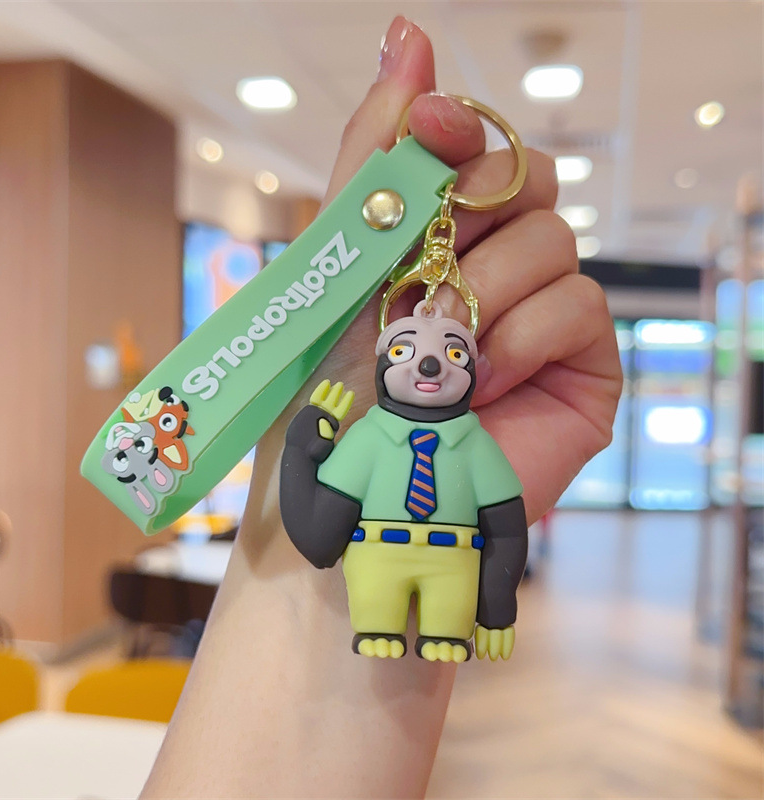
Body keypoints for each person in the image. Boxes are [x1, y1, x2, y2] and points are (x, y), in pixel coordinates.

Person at [141, 16, 622, 799]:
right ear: (387, 352)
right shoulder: (369, 438)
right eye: (408, 352)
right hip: (374, 563)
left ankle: (436, 631)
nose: (430, 362)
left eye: (452, 353)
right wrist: (307, 442)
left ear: (473, 362)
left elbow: (503, 521)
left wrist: (495, 602)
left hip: (449, 563)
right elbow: (320, 522)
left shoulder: (473, 444)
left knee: (441, 620)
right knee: (379, 611)